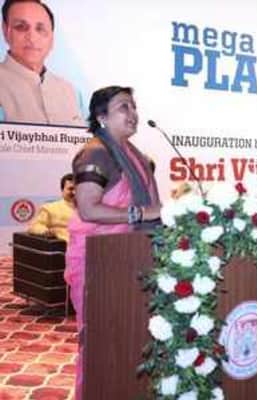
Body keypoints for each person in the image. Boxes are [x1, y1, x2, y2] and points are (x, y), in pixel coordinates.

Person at [65, 86, 161, 400]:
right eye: (123, 107)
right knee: (101, 340)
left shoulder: (138, 157)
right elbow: (88, 209)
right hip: (99, 262)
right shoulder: (96, 152)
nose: (133, 113)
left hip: (136, 257)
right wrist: (142, 213)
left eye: (133, 106)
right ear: (101, 116)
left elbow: (155, 210)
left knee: (132, 337)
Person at [0, 0, 83, 124]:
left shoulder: (68, 91)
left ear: (52, 38)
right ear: (5, 31)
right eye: (21, 27)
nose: (32, 38)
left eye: (40, 29)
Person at [27, 173, 75, 241]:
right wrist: (46, 232)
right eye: (71, 189)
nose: (74, 192)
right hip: (67, 244)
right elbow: (34, 226)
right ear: (62, 190)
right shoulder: (50, 208)